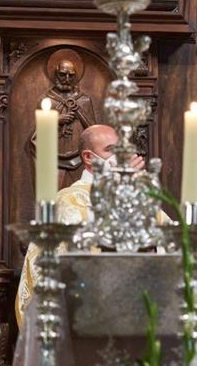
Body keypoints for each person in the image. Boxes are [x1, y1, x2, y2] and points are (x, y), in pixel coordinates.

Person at [15, 125, 147, 326]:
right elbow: (92, 252)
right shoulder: (68, 201)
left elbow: (166, 239)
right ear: (89, 157)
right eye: (112, 150)